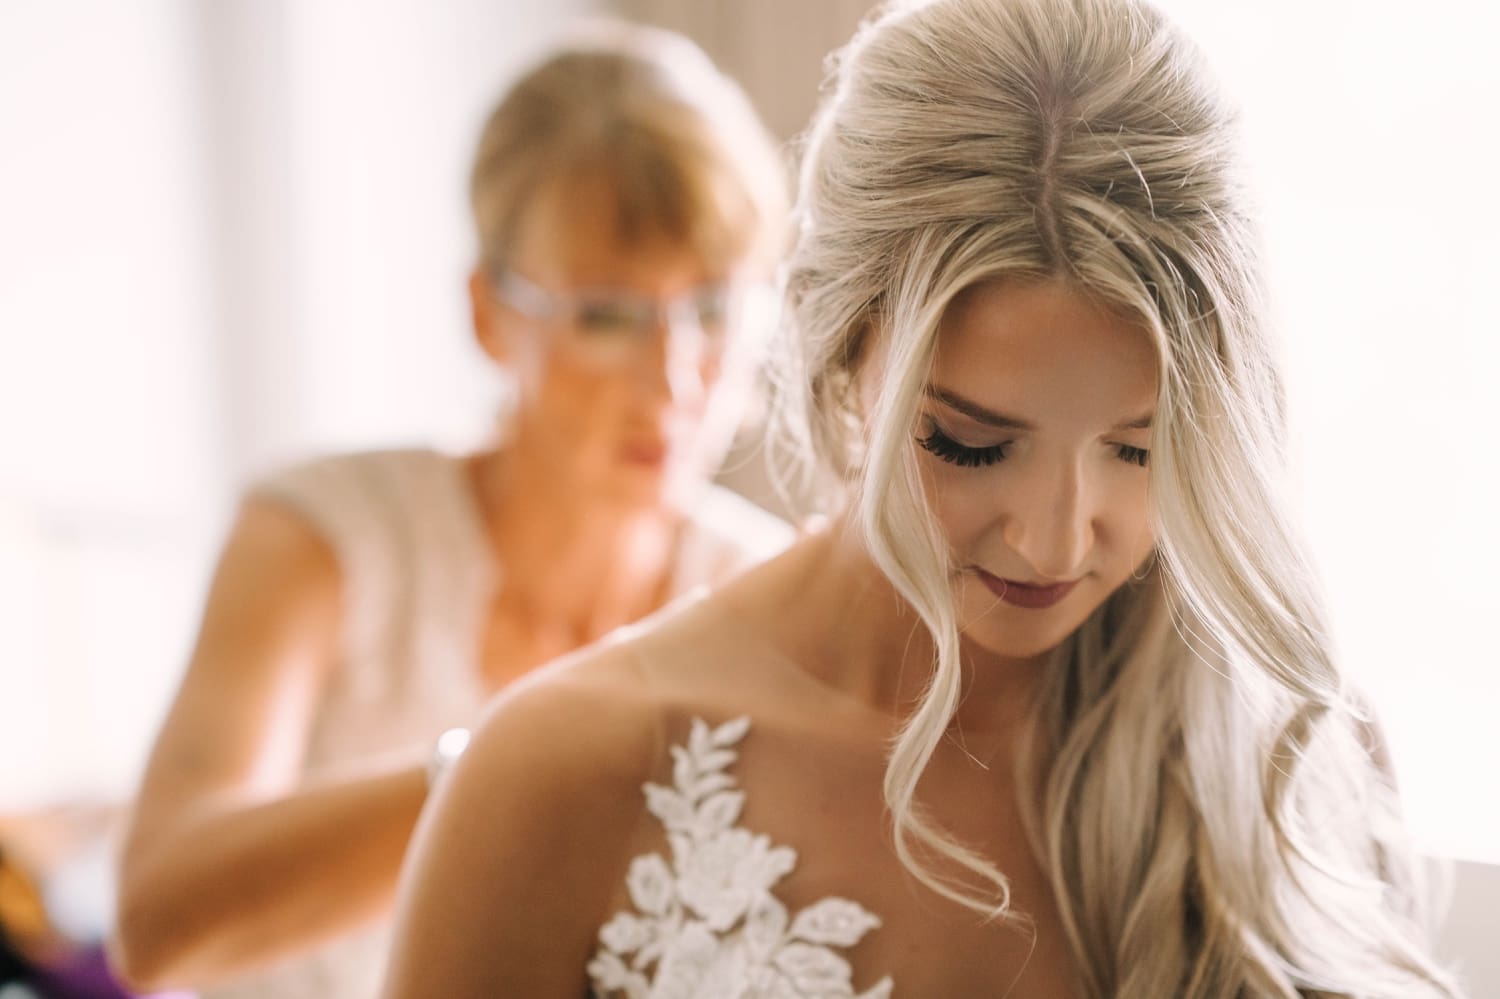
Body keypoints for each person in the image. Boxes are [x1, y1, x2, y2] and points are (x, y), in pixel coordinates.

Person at [379, 0, 1470, 996]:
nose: (1054, 538)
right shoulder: (562, 777)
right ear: (841, 348)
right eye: (973, 443)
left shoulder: (1290, 754)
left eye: (1143, 451)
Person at [107, 20, 791, 999]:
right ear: (489, 314)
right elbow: (158, 923)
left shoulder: (762, 598)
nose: (676, 375)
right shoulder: (323, 537)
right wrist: (513, 767)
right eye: (607, 313)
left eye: (716, 307)